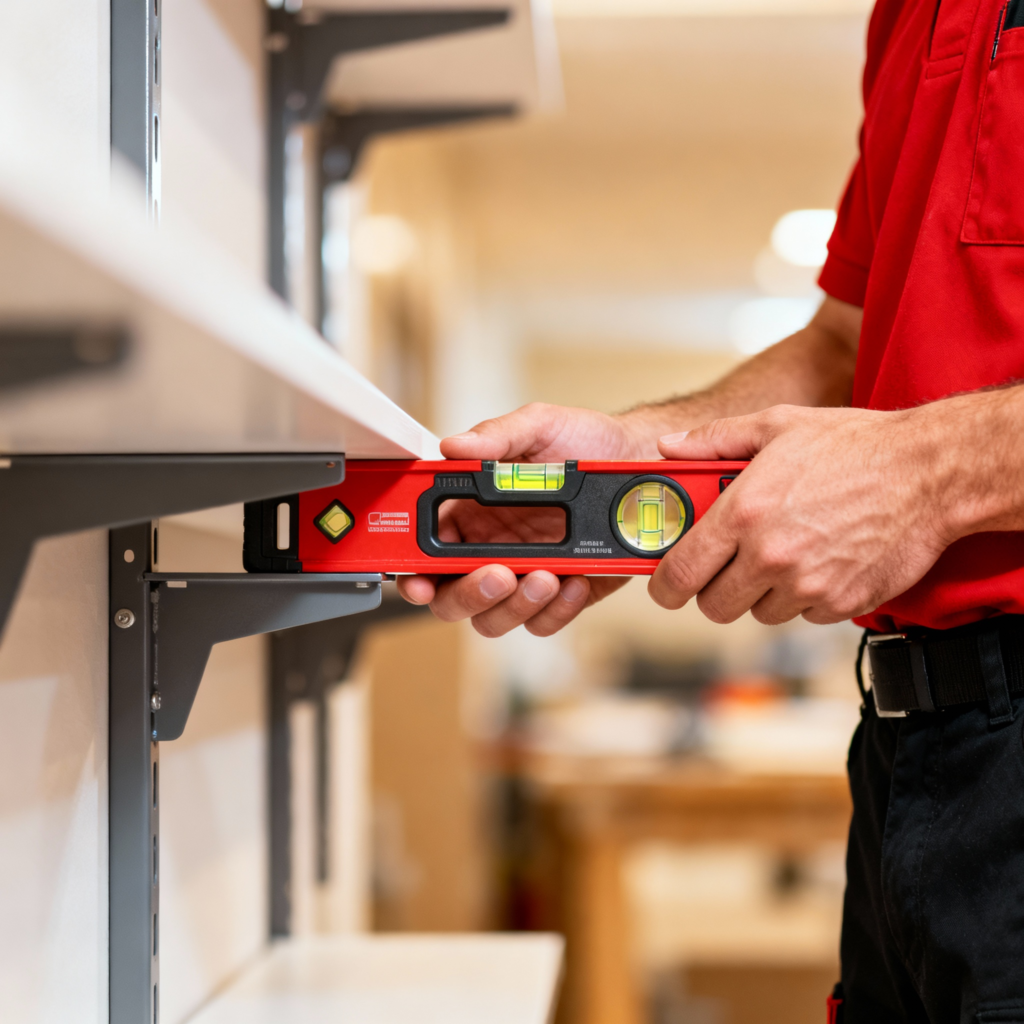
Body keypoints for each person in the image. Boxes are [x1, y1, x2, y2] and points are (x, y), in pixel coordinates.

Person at [399, 0, 1024, 1020]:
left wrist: (931, 471)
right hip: (917, 752)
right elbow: (842, 350)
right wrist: (624, 464)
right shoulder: (911, 16)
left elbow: (901, 436)